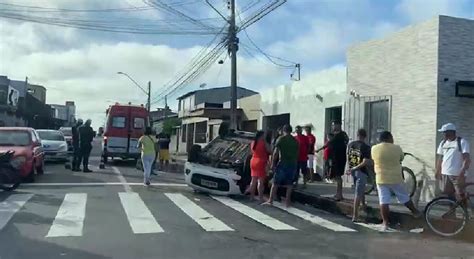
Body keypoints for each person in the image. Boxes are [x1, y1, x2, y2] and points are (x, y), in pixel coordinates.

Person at [371, 131, 421, 231]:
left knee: (383, 200)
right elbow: (401, 158)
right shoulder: (397, 148)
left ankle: (385, 223)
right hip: (395, 178)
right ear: (389, 138)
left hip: (381, 178)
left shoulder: (374, 148)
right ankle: (416, 212)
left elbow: (374, 159)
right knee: (404, 197)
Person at [435, 123, 471, 207]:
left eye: (444, 132)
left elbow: (467, 159)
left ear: (451, 132)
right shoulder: (443, 143)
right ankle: (452, 214)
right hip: (445, 173)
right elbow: (440, 158)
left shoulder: (461, 142)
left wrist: (462, 173)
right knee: (449, 195)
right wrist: (437, 170)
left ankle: (467, 213)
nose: (443, 134)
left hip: (457, 174)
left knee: (460, 194)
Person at [264, 124, 298, 207]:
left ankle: (270, 200)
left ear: (283, 130)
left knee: (275, 182)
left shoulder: (281, 139)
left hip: (283, 163)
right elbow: (297, 153)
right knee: (289, 184)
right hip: (292, 164)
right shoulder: (295, 141)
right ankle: (287, 201)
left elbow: (275, 152)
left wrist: (272, 164)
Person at [316, 121, 349, 201]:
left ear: (338, 125)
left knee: (338, 176)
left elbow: (328, 143)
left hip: (339, 158)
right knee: (337, 176)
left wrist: (319, 149)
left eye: (334, 125)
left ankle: (339, 194)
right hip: (336, 157)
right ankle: (338, 193)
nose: (333, 127)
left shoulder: (339, 135)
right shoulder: (341, 135)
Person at [346, 129, 371, 222]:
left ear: (357, 135)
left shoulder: (351, 144)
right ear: (365, 136)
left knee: (360, 188)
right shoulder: (366, 147)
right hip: (361, 170)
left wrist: (350, 167)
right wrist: (356, 168)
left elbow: (348, 155)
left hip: (353, 170)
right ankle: (355, 215)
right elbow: (365, 162)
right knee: (358, 192)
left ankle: (363, 204)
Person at [248, 131, 272, 201]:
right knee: (260, 181)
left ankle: (251, 197)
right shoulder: (263, 143)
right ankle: (260, 197)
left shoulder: (253, 142)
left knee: (253, 180)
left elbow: (252, 152)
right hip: (261, 161)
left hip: (253, 160)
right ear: (261, 135)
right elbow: (270, 150)